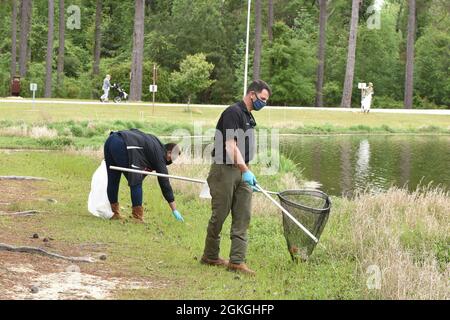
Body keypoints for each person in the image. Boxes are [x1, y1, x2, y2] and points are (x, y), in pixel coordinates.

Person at [201, 80, 272, 276]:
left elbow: (243, 149)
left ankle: (237, 261)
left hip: (242, 171)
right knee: (220, 215)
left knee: (243, 216)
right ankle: (210, 256)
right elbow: (230, 146)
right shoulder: (232, 112)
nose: (263, 104)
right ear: (252, 95)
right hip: (224, 170)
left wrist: (248, 173)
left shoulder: (248, 116)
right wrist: (244, 169)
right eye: (262, 99)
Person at [103, 129, 184, 223]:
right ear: (169, 153)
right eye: (174, 157)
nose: (172, 161)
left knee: (113, 178)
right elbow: (164, 182)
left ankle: (114, 213)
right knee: (136, 180)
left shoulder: (156, 145)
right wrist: (174, 209)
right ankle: (137, 217)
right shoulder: (160, 155)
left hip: (111, 140)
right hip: (122, 144)